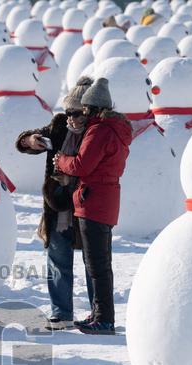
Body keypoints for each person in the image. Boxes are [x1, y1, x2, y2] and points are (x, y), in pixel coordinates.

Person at [52, 78, 131, 335]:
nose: (82, 114)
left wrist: (61, 160)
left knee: (96, 265)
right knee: (99, 263)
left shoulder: (99, 130)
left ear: (94, 108)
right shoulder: (115, 129)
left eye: (85, 109)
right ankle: (99, 314)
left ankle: (104, 319)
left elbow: (81, 166)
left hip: (93, 199)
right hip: (105, 198)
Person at [15, 77, 94, 330]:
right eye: (69, 111)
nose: (72, 117)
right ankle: (61, 313)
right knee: (58, 260)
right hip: (58, 205)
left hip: (89, 203)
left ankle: (99, 313)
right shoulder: (59, 126)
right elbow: (23, 141)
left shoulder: (99, 130)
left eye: (79, 112)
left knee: (94, 264)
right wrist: (31, 140)